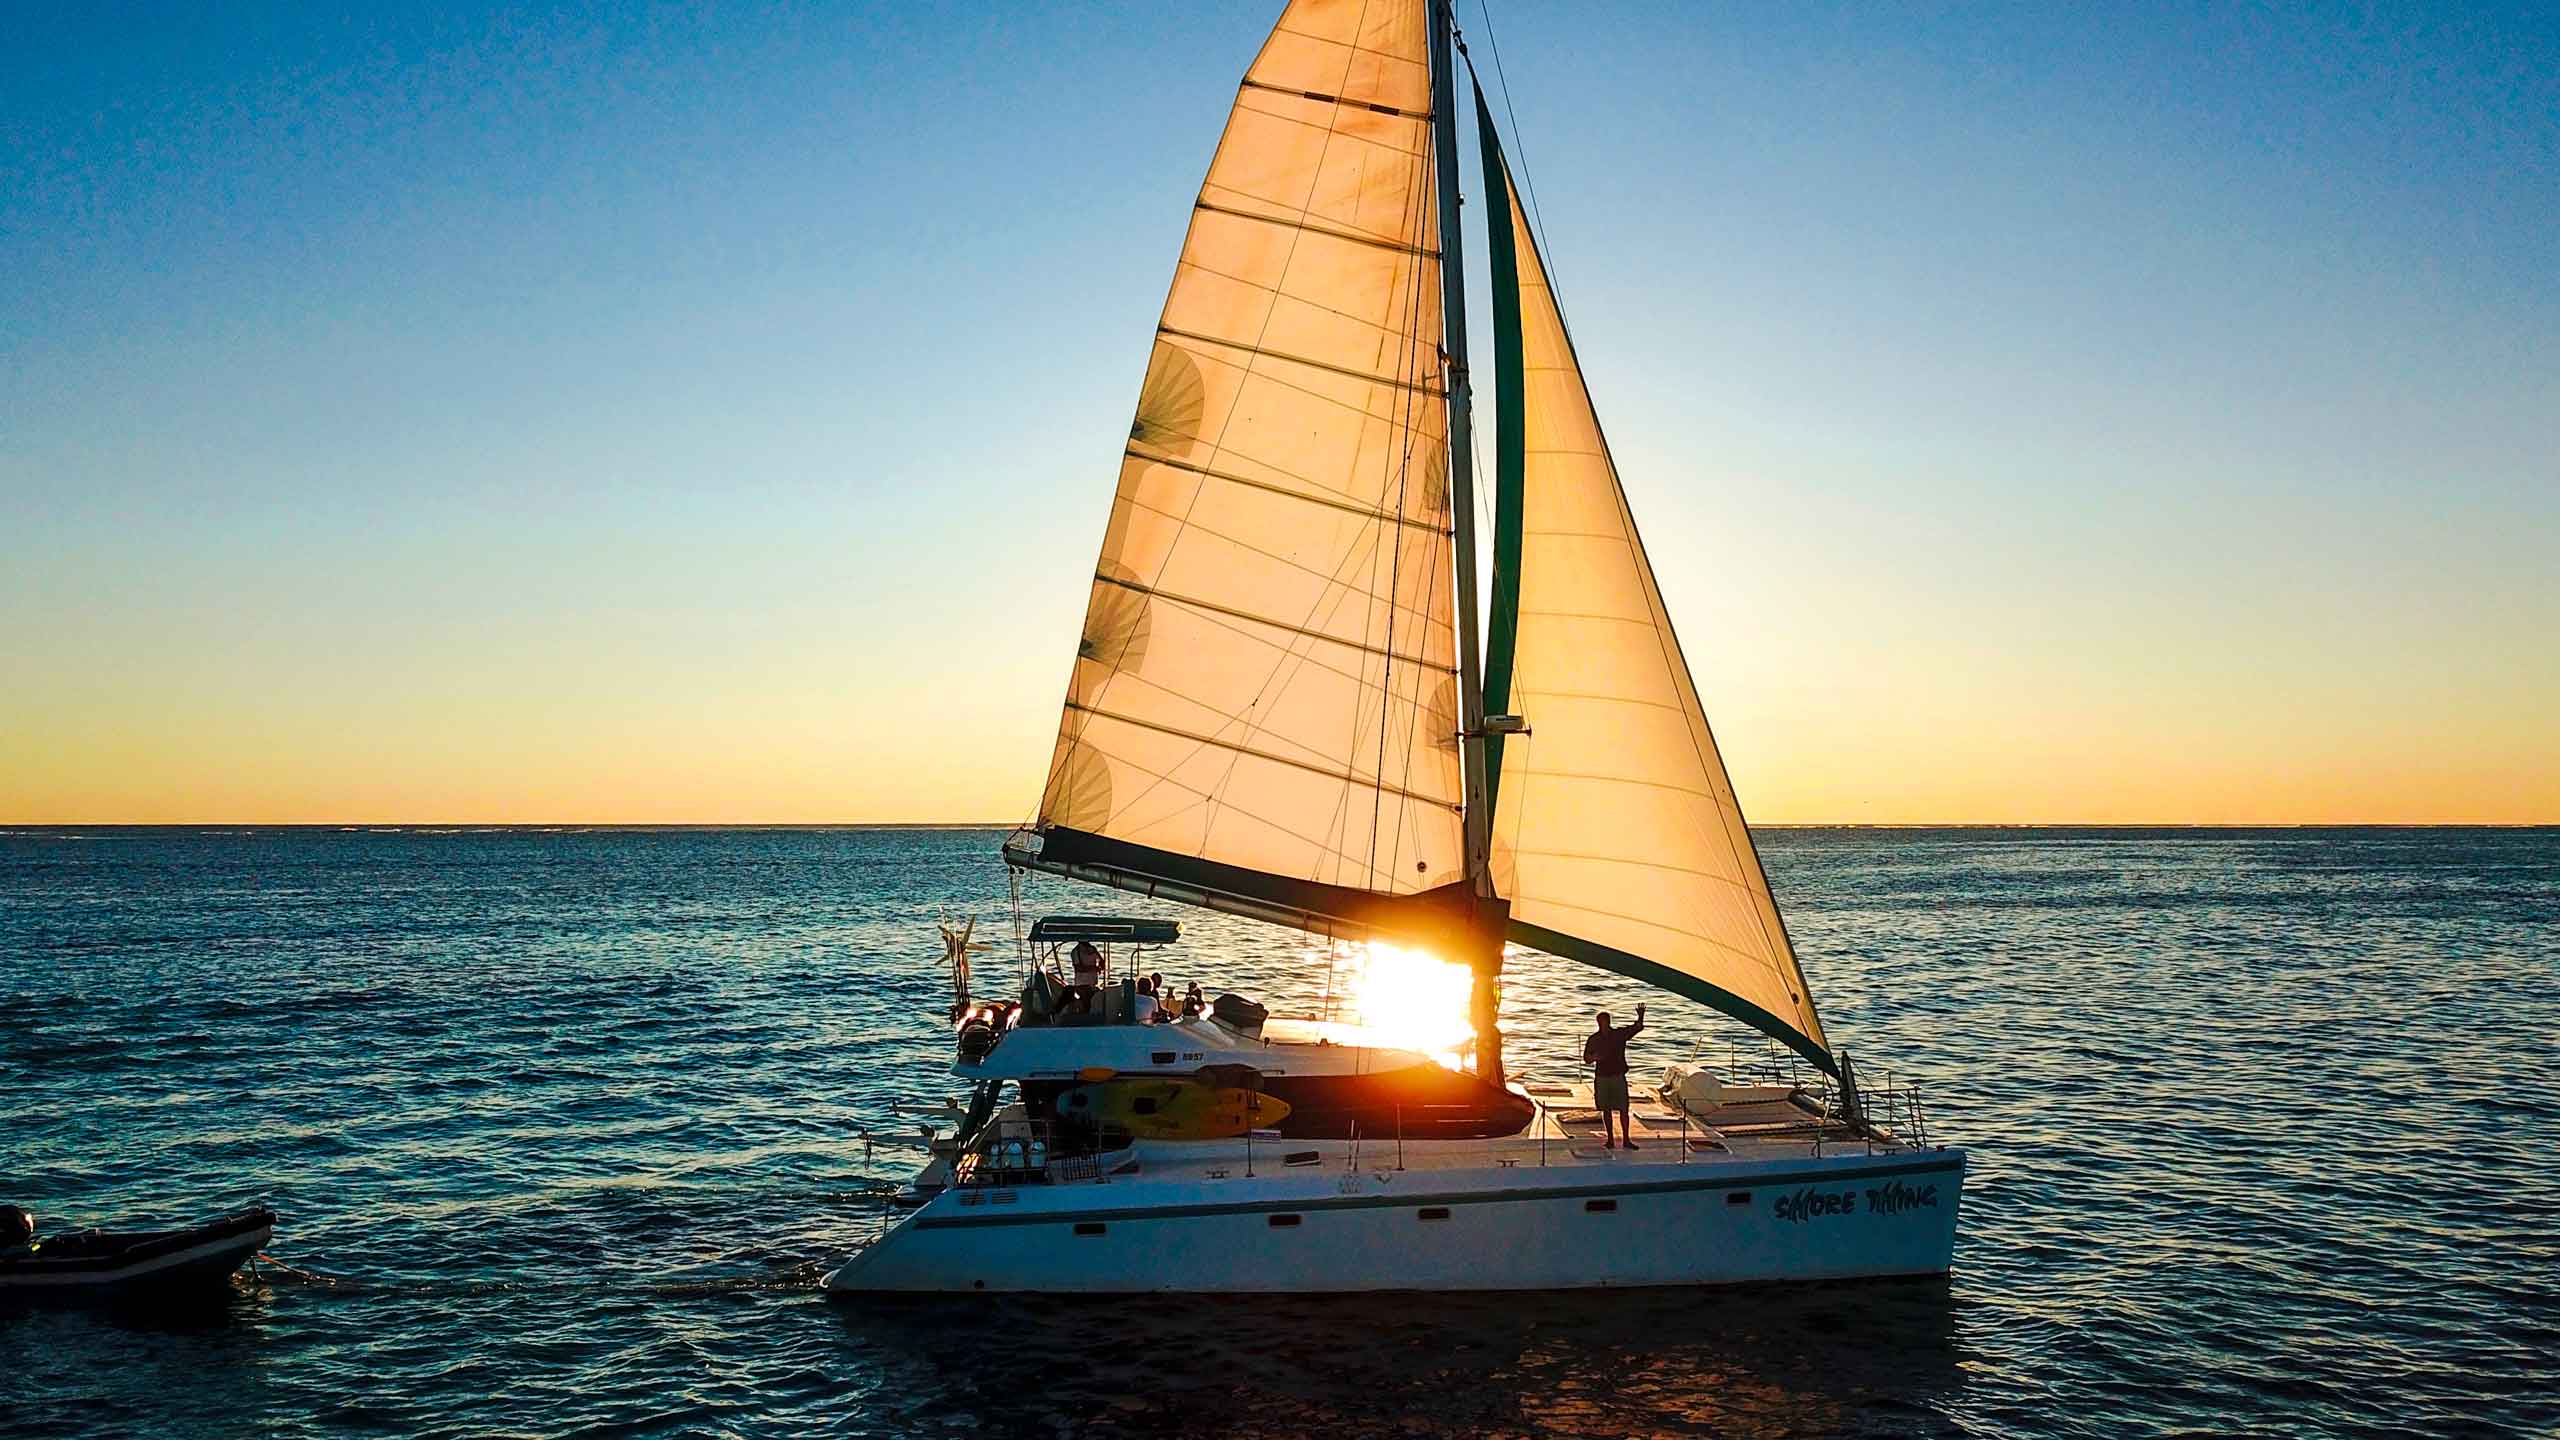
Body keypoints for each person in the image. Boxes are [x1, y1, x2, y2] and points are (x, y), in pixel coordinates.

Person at [1582, 1004, 1647, 1149]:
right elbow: (1586, 1059)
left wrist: (1641, 1016)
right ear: (1597, 1022)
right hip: (1602, 1077)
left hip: (1618, 1076)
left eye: (1605, 1021)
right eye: (1601, 1022)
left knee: (1624, 1108)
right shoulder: (1593, 1039)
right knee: (1606, 1109)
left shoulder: (1619, 1034)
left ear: (1609, 1021)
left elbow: (1637, 1027)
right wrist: (1594, 1057)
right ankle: (1610, 1140)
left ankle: (1626, 1139)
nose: (1603, 1024)